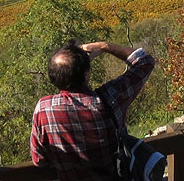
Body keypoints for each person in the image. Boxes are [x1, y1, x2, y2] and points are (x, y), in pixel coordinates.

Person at [30, 40, 155, 180]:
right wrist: (105, 46)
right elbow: (145, 61)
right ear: (86, 75)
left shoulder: (44, 109)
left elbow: (38, 159)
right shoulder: (110, 98)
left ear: (52, 77)